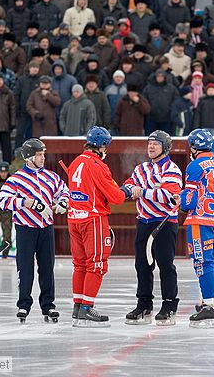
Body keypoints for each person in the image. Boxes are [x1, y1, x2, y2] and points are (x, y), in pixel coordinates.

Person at [0, 138, 70, 323]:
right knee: (25, 268)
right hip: (25, 230)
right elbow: (2, 201)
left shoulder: (51, 176)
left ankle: (48, 305)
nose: (43, 158)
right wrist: (27, 203)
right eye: (39, 155)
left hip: (46, 229)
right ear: (29, 157)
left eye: (43, 154)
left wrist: (63, 201)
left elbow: (64, 190)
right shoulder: (16, 179)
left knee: (47, 268)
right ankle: (24, 304)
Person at [66, 126, 130, 327]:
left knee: (80, 264)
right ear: (101, 145)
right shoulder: (97, 165)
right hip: (93, 219)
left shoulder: (76, 162)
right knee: (97, 264)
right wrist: (127, 191)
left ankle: (78, 306)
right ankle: (86, 308)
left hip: (74, 218)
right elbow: (116, 197)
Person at [121, 131, 183, 326]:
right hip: (144, 222)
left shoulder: (172, 169)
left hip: (164, 223)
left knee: (165, 265)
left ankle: (169, 305)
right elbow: (129, 185)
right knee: (142, 265)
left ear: (165, 147)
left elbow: (169, 195)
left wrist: (143, 192)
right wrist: (124, 191)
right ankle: (144, 304)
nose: (151, 146)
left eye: (155, 143)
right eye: (149, 143)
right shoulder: (141, 169)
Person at [179, 128, 214, 328]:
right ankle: (208, 302)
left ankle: (208, 306)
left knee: (203, 262)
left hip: (201, 219)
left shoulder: (195, 165)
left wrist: (181, 202)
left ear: (193, 146)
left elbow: (189, 199)